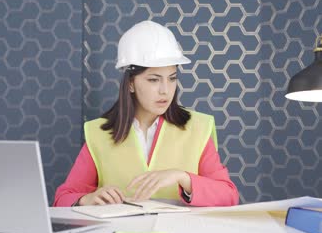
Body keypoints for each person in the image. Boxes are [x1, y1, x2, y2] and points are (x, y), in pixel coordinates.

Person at [54, 20, 239, 207]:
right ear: (131, 83)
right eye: (153, 80)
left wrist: (183, 177)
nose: (165, 90)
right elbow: (62, 199)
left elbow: (229, 195)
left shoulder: (197, 128)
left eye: (172, 78)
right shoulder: (99, 133)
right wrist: (87, 199)